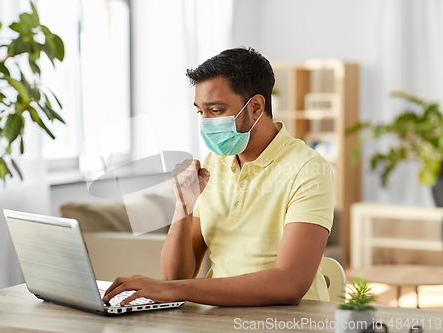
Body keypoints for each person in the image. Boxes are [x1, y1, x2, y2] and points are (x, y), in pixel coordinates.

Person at [103, 47, 335, 306]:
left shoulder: (309, 169)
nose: (206, 122)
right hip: (220, 318)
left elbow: (289, 283)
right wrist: (183, 205)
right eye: (200, 112)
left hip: (287, 322)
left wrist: (177, 291)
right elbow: (175, 277)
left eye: (215, 111)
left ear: (256, 107)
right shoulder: (214, 163)